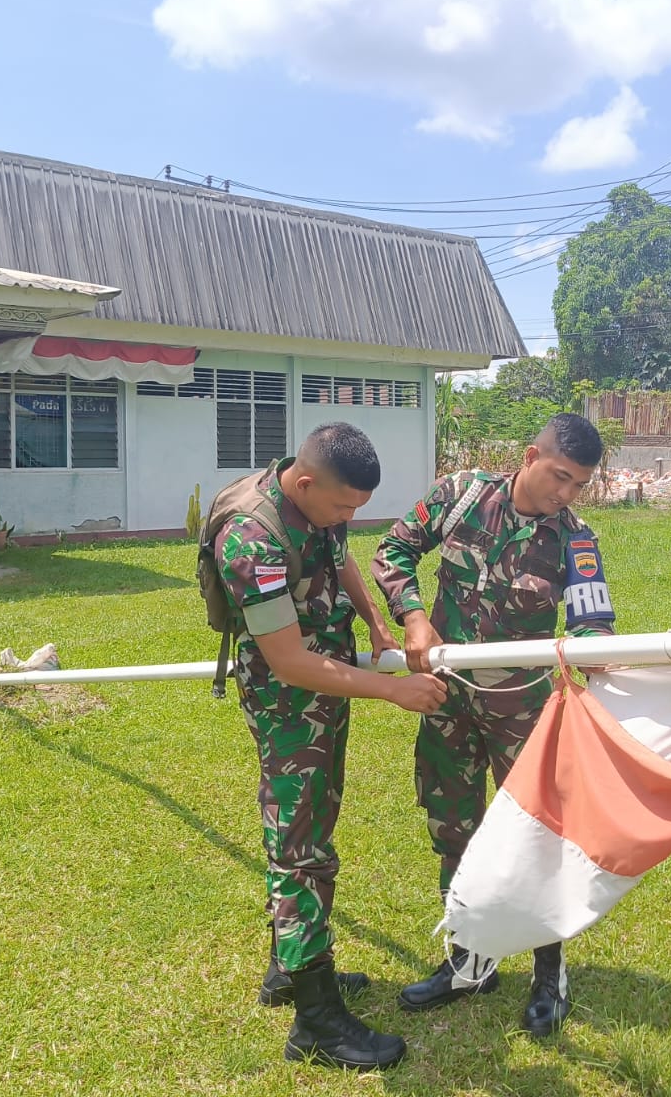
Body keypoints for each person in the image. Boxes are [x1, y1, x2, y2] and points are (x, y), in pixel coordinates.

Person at [371, 412, 616, 1036]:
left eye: (578, 485)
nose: (565, 493)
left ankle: (548, 974)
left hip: (522, 716)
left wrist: (598, 650)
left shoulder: (575, 540)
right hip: (447, 702)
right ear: (530, 455)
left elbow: (591, 622)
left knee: (536, 840)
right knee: (453, 827)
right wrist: (415, 616)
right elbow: (394, 549)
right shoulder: (459, 496)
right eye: (560, 476)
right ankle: (470, 960)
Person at [213, 423, 447, 1072]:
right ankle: (314, 1022)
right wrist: (391, 690)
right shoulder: (251, 538)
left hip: (326, 691)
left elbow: (339, 553)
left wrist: (373, 619)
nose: (350, 518)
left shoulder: (317, 505)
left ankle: (287, 972)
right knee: (301, 850)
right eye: (344, 506)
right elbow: (286, 661)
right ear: (306, 482)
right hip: (291, 704)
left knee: (307, 832)